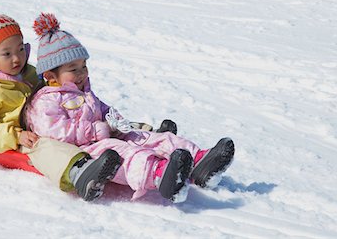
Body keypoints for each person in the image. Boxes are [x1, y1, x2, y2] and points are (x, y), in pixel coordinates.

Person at [20, 13, 235, 203]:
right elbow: (53, 132)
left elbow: (102, 109)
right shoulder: (45, 101)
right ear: (50, 76)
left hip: (105, 135)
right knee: (127, 154)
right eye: (73, 69)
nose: (82, 73)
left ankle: (198, 160)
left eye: (84, 66)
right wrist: (94, 131)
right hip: (86, 148)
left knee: (145, 137)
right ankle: (159, 175)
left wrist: (115, 121)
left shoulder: (83, 90)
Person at [0, 8, 122, 201]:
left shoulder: (28, 73)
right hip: (3, 144)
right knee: (43, 146)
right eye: (7, 54)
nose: (17, 58)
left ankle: (131, 137)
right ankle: (78, 172)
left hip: (37, 126)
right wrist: (14, 135)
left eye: (21, 49)